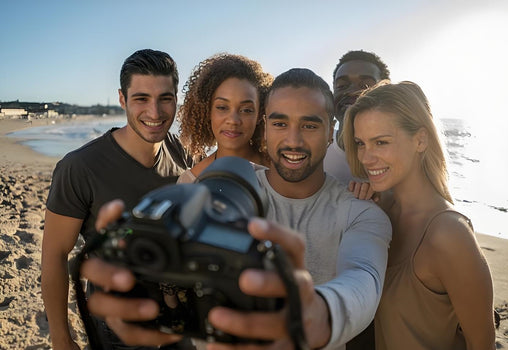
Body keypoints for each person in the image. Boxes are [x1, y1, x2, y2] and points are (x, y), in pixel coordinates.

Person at [78, 68, 392, 350]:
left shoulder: (361, 213)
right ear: (265, 126)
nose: (293, 141)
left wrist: (319, 313)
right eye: (280, 123)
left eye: (310, 126)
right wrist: (137, 285)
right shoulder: (214, 194)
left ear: (331, 132)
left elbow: (363, 280)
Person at [41, 49, 191, 350]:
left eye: (165, 98)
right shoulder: (80, 167)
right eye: (141, 99)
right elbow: (54, 255)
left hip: (181, 322)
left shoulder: (181, 151)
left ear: (176, 99)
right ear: (122, 99)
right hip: (118, 332)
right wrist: (61, 337)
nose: (155, 112)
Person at [343, 80, 495, 349]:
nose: (366, 158)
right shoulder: (376, 211)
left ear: (420, 140)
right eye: (360, 143)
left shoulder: (449, 234)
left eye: (381, 142)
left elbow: (481, 343)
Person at [177, 53, 272, 183]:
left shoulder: (280, 172)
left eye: (246, 110)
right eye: (222, 107)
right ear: (207, 111)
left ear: (260, 115)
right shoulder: (190, 182)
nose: (233, 120)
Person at [324, 50, 390, 188]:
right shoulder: (316, 154)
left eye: (365, 86)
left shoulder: (397, 157)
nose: (352, 91)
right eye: (342, 86)